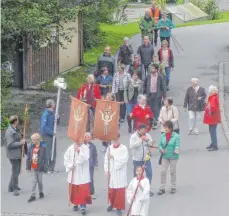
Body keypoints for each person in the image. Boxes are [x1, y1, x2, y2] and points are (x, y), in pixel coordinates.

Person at [64, 142, 91, 215]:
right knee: (74, 189)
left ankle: (83, 206)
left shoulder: (85, 148)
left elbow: (85, 158)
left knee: (83, 190)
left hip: (82, 173)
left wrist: (79, 151)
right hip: (74, 172)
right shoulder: (70, 148)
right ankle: (75, 204)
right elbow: (66, 158)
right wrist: (70, 166)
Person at [104, 133, 128, 216]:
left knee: (119, 191)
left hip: (120, 172)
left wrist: (114, 158)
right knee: (112, 190)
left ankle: (119, 207)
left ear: (119, 138)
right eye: (113, 139)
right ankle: (112, 204)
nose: (115, 140)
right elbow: (106, 160)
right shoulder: (109, 148)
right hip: (112, 172)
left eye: (116, 138)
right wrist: (107, 170)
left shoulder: (123, 148)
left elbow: (124, 160)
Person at [130, 124, 154, 196]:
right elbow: (132, 146)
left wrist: (148, 140)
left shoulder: (148, 135)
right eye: (143, 130)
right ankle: (136, 190)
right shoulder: (133, 136)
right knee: (136, 175)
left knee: (149, 174)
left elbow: (152, 144)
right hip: (137, 159)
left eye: (145, 130)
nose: (144, 131)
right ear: (139, 130)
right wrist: (141, 140)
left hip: (146, 158)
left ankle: (147, 190)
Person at [5, 115, 26, 196]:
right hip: (13, 154)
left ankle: (11, 186)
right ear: (15, 121)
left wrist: (22, 137)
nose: (18, 121)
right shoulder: (9, 132)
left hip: (18, 153)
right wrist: (20, 143)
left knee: (15, 171)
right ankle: (15, 188)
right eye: (17, 120)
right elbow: (10, 144)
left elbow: (19, 137)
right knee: (15, 171)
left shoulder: (16, 129)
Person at [157, 120, 180, 195]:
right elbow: (160, 145)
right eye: (164, 128)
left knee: (172, 172)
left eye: (166, 128)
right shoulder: (162, 136)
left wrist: (175, 151)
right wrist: (161, 149)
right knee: (163, 171)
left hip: (173, 156)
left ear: (170, 128)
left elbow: (177, 145)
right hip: (165, 156)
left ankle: (173, 186)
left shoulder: (176, 136)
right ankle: (162, 187)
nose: (165, 129)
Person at [26, 133, 48, 202]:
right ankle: (33, 195)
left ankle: (41, 192)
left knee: (40, 181)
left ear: (37, 140)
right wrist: (28, 167)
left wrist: (45, 166)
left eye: (33, 140)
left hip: (40, 167)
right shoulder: (31, 146)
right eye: (32, 140)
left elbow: (46, 157)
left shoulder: (43, 146)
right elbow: (28, 156)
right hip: (33, 166)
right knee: (34, 181)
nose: (32, 141)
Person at [40, 99, 58, 173]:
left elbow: (56, 123)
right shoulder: (45, 114)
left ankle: (51, 168)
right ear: (51, 105)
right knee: (47, 152)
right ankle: (46, 168)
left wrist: (57, 118)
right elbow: (43, 127)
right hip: (47, 136)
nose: (55, 105)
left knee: (53, 152)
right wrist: (51, 132)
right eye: (54, 104)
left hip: (52, 135)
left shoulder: (53, 113)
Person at [203, 85, 221, 151]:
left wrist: (208, 110)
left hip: (212, 118)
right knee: (212, 131)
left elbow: (212, 108)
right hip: (213, 118)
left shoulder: (213, 98)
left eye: (210, 91)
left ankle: (214, 145)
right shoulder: (214, 97)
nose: (209, 92)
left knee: (212, 131)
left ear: (212, 91)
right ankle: (213, 143)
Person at [84, 132, 98, 199]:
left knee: (91, 178)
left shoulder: (93, 146)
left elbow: (95, 155)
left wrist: (95, 163)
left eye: (90, 137)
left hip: (90, 165)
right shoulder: (82, 145)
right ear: (85, 138)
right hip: (83, 164)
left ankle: (91, 192)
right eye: (88, 137)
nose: (89, 138)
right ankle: (84, 192)